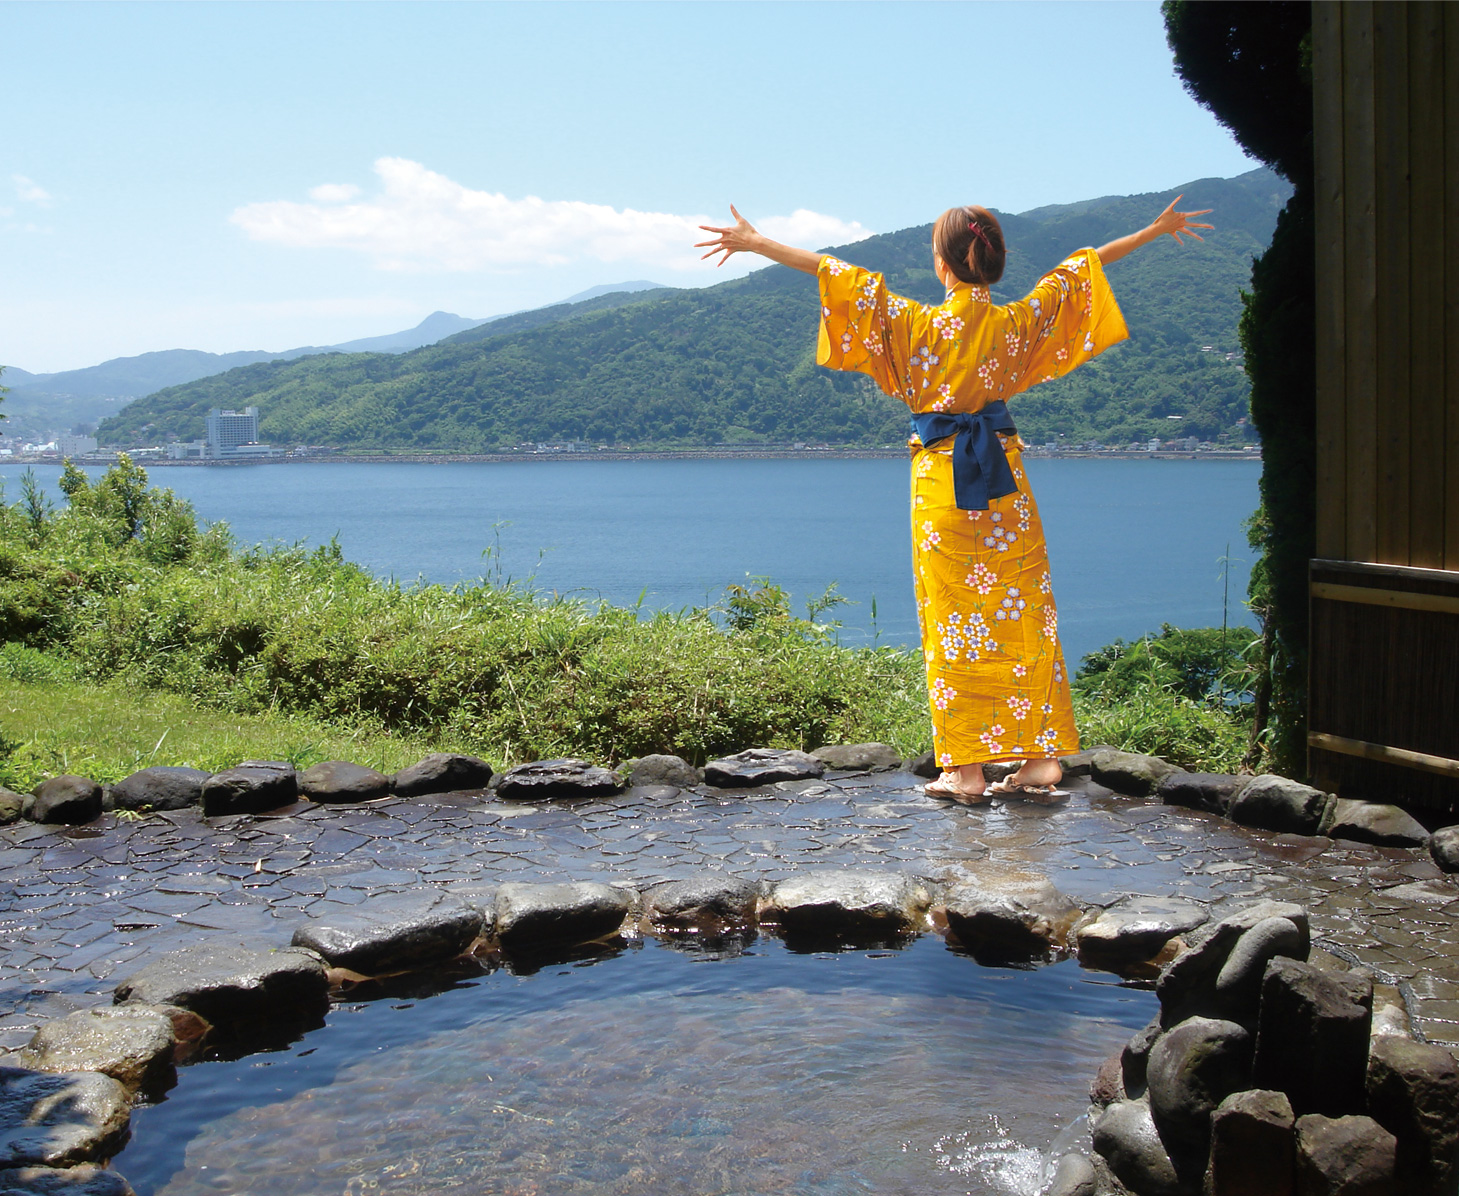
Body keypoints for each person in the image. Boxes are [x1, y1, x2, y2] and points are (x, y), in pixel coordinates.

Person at [695, 197, 1212, 804]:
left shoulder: (917, 324)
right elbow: (1081, 269)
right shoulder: (1017, 322)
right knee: (1023, 617)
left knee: (953, 623)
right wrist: (1152, 231)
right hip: (1005, 481)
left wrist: (759, 244)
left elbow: (837, 273)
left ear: (944, 263)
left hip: (944, 482)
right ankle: (1041, 757)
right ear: (994, 261)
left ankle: (965, 770)